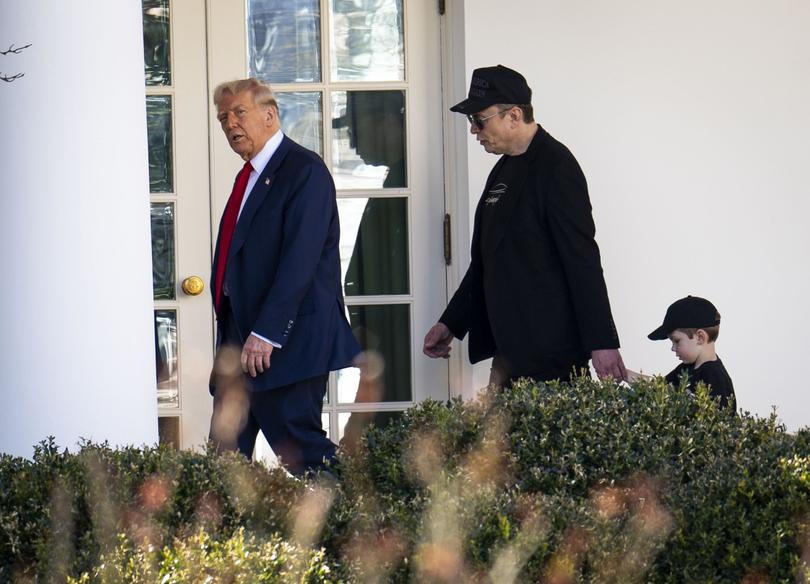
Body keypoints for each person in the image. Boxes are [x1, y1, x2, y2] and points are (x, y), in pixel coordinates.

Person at [423, 65, 626, 385]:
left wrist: (602, 341)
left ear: (514, 115)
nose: (474, 130)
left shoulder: (557, 167)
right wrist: (451, 323)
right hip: (508, 354)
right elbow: (486, 262)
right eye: (471, 120)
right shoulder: (502, 170)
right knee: (496, 437)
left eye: (479, 119)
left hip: (553, 357)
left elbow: (582, 259)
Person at [208, 78, 360, 475]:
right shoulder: (251, 176)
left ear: (270, 115)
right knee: (223, 461)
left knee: (304, 453)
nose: (230, 124)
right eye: (223, 117)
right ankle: (220, 538)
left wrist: (268, 332)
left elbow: (300, 260)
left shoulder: (303, 171)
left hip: (283, 345)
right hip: (239, 345)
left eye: (239, 112)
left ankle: (364, 522)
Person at [646, 295, 736, 409]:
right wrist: (624, 373)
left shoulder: (716, 377)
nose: (673, 348)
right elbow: (658, 388)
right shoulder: (685, 369)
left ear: (700, 337)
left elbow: (722, 421)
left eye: (677, 341)